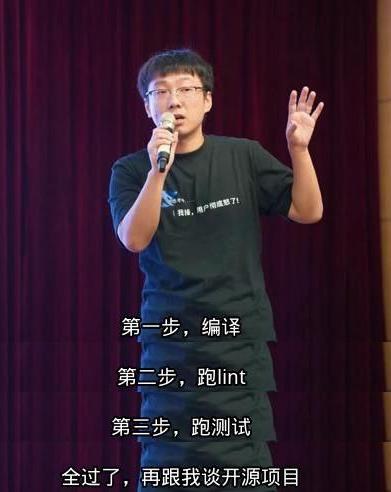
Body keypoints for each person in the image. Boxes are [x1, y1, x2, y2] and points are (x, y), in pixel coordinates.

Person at [108, 48, 323, 491]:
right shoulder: (131, 170)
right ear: (147, 106)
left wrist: (299, 150)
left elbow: (307, 210)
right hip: (170, 340)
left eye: (186, 89)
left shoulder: (243, 156)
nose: (174, 100)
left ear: (207, 100)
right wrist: (158, 172)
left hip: (236, 337)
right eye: (161, 92)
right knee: (170, 466)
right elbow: (134, 239)